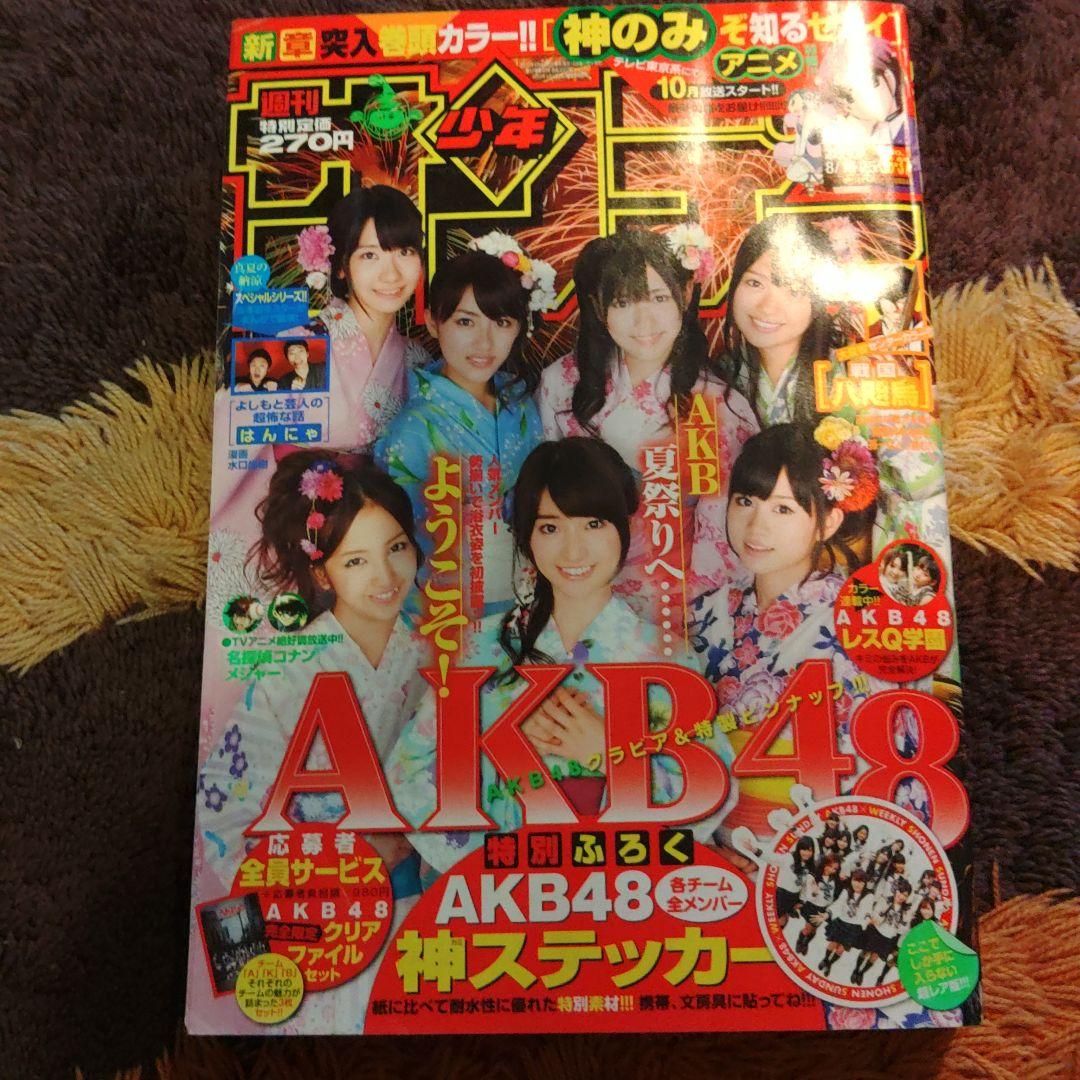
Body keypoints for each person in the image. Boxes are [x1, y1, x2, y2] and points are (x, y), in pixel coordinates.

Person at [385, 437, 737, 876]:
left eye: (593, 525)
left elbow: (710, 786)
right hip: (503, 883)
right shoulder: (479, 645)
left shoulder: (665, 655)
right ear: (527, 536)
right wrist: (501, 762)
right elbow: (408, 775)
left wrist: (610, 753)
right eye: (550, 528)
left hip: (622, 884)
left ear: (624, 526)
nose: (574, 551)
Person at [196, 451, 432, 1031]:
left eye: (397, 548)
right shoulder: (290, 669)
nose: (386, 577)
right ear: (323, 574)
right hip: (326, 920)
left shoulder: (436, 651)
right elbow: (222, 810)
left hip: (431, 910)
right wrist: (345, 858)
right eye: (356, 560)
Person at [539, 225, 758, 610]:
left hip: (675, 600)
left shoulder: (714, 404)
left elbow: (719, 537)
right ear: (599, 307)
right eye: (623, 303)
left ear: (685, 295)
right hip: (577, 587)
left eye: (658, 298)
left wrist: (673, 612)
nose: (644, 322)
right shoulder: (563, 384)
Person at [689, 422, 877, 835]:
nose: (756, 527)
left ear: (828, 523)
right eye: (745, 501)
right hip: (710, 833)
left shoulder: (857, 621)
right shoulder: (704, 614)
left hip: (816, 833)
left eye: (783, 509)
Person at [375, 236, 550, 617]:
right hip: (449, 612)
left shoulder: (521, 402)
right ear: (432, 322)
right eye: (465, 321)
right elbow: (402, 547)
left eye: (501, 323)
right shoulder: (412, 431)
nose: (484, 342)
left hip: (531, 600)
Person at [719, 216, 839, 427]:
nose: (767, 307)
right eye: (755, 283)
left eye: (794, 290)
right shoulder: (718, 376)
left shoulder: (846, 375)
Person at [820, 868, 874, 977]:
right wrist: (828, 913)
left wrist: (867, 919)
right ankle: (825, 959)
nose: (857, 884)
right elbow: (838, 903)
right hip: (842, 922)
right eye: (855, 880)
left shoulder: (869, 896)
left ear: (865, 883)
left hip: (854, 927)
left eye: (861, 882)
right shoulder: (847, 891)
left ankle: (829, 964)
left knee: (841, 949)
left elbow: (867, 910)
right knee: (833, 944)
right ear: (851, 880)